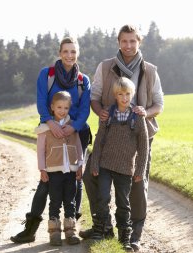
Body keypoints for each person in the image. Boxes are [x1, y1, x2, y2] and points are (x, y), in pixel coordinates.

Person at [81, 24, 164, 252]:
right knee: (91, 176)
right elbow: (95, 97)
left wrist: (146, 112)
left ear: (139, 42)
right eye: (124, 41)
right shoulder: (105, 67)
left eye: (132, 41)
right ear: (119, 42)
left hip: (139, 137)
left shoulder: (150, 70)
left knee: (137, 186)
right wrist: (101, 112)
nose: (128, 46)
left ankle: (133, 235)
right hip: (108, 136)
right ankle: (104, 226)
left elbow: (159, 104)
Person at [10, 37, 91, 244]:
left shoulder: (83, 80)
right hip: (51, 131)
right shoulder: (47, 75)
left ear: (77, 54)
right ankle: (31, 229)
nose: (69, 55)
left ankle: (71, 226)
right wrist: (50, 122)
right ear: (59, 52)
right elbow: (40, 101)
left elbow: (83, 110)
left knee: (75, 182)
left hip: (76, 131)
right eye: (66, 51)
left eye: (73, 51)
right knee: (46, 183)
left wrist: (73, 126)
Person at [90, 77, 149, 251]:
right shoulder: (107, 115)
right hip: (105, 166)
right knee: (103, 198)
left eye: (127, 94)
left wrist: (140, 169)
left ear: (133, 94)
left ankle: (124, 236)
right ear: (115, 95)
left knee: (123, 202)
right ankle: (99, 230)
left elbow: (143, 145)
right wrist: (95, 164)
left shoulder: (137, 117)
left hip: (126, 168)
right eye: (120, 94)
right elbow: (99, 140)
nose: (124, 98)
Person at [35, 91, 82, 246]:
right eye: (59, 107)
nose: (63, 111)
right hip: (53, 171)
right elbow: (41, 150)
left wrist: (80, 165)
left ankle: (70, 232)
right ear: (52, 107)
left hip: (71, 171)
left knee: (70, 201)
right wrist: (43, 169)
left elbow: (78, 146)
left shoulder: (73, 126)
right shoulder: (45, 129)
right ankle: (54, 233)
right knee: (55, 201)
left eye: (66, 108)